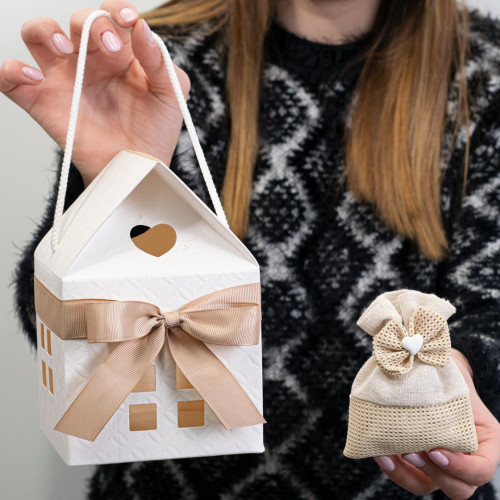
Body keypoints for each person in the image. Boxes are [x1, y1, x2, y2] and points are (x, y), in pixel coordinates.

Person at [1, 0, 500, 498]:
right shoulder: (157, 61)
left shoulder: (485, 71)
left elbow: (489, 307)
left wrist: (463, 370)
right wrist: (112, 188)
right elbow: (49, 320)